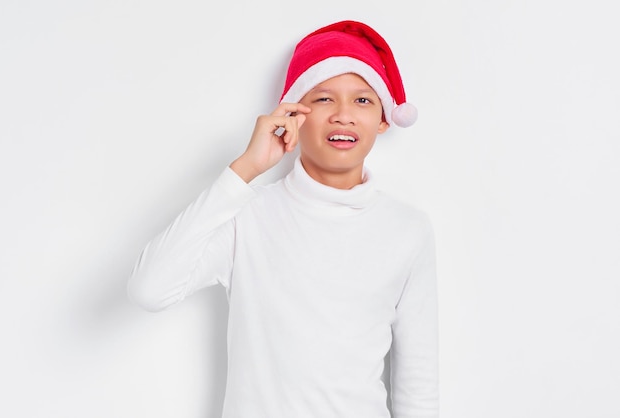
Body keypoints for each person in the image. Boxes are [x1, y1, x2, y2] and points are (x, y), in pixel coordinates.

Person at [128, 20, 438, 418]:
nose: (343, 115)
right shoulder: (247, 213)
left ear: (383, 118)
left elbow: (419, 381)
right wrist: (244, 169)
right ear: (295, 113)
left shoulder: (407, 228)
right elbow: (149, 289)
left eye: (363, 100)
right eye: (324, 99)